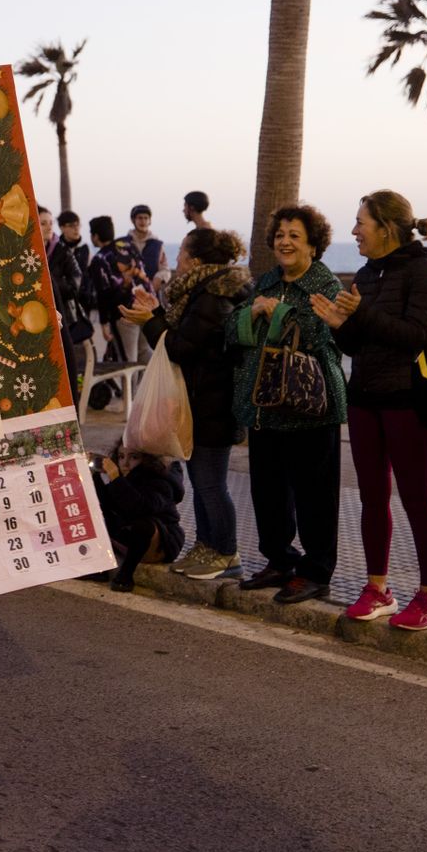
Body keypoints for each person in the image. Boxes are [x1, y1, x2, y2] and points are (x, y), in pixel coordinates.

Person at [310, 191, 427, 630]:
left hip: (407, 400)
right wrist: (340, 327)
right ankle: (378, 589)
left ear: (386, 228)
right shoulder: (367, 274)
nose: (354, 231)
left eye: (360, 223)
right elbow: (358, 342)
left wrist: (362, 314)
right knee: (372, 499)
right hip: (365, 398)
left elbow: (416, 335)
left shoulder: (425, 272)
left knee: (416, 499)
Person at [227, 204, 347, 604]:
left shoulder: (326, 285)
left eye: (295, 235)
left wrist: (275, 314)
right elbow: (231, 330)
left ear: (314, 245)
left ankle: (316, 572)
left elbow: (317, 334)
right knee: (268, 490)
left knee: (315, 494)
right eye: (280, 235)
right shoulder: (267, 280)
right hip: (264, 405)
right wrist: (254, 311)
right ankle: (279, 560)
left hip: (309, 408)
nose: (285, 242)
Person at [119, 228, 252, 580]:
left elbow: (181, 347)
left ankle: (226, 552)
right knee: (203, 482)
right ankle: (208, 548)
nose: (176, 262)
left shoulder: (212, 295)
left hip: (212, 404)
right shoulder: (206, 291)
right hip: (202, 402)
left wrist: (152, 322)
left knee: (211, 484)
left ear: (194, 260)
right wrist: (155, 317)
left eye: (181, 256)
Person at [92, 439, 185, 592]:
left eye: (133, 457)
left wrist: (116, 478)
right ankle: (99, 569)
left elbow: (140, 507)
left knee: (143, 524)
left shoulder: (161, 483)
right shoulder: (124, 479)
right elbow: (106, 505)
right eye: (121, 457)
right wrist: (95, 476)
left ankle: (125, 576)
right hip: (128, 541)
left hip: (160, 545)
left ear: (147, 459)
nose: (125, 463)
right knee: (96, 515)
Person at [40, 207, 88, 396]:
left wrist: (49, 282)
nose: (48, 227)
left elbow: (75, 282)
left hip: (65, 317)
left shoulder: (62, 251)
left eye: (50, 223)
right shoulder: (28, 251)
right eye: (43, 223)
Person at [88, 215, 148, 367]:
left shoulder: (99, 259)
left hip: (123, 313)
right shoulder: (129, 246)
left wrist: (104, 322)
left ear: (95, 236)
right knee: (145, 352)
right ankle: (152, 388)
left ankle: (132, 391)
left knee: (129, 359)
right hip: (145, 306)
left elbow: (103, 294)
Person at [126, 204, 170, 291]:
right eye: (140, 218)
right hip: (128, 293)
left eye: (146, 218)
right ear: (133, 220)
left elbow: (165, 269)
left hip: (151, 294)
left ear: (150, 221)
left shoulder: (157, 245)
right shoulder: (125, 243)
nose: (143, 221)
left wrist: (159, 277)